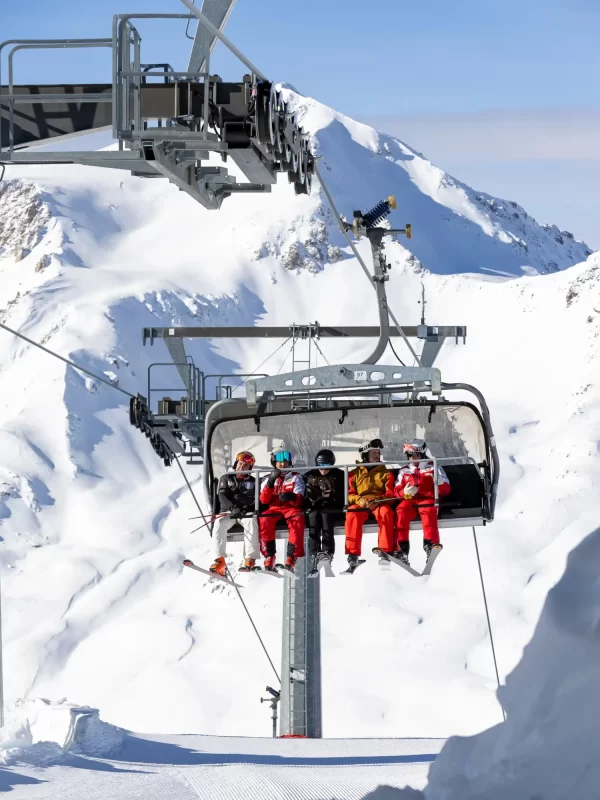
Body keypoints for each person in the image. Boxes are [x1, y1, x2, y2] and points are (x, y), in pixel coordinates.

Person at [394, 439, 451, 565]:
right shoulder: (404, 471)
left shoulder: (433, 467)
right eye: (409, 455)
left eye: (415, 455)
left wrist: (440, 483)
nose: (412, 458)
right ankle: (402, 549)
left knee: (428, 510)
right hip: (411, 500)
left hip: (428, 499)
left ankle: (430, 545)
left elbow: (446, 490)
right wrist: (404, 492)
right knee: (401, 511)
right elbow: (396, 492)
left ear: (422, 454)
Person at [345, 438, 395, 570]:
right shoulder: (354, 474)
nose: (377, 456)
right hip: (361, 502)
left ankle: (386, 551)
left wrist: (378, 500)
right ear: (365, 455)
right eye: (373, 453)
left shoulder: (386, 473)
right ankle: (352, 553)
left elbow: (391, 495)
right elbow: (349, 494)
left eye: (378, 453)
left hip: (378, 502)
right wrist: (359, 500)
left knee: (386, 513)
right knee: (352, 514)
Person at [210, 451, 259, 576]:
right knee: (219, 522)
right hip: (229, 512)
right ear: (236, 463)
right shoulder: (226, 477)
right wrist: (233, 508)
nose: (242, 467)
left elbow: (257, 500)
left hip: (245, 512)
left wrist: (246, 508)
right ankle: (219, 561)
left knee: (251, 521)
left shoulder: (254, 482)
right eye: (240, 463)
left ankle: (250, 559)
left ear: (250, 468)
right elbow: (222, 495)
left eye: (246, 465)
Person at [259, 448, 306, 572]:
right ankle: (270, 555)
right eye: (280, 459)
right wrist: (270, 483)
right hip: (274, 508)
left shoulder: (296, 477)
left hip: (290, 508)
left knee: (297, 519)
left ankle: (292, 557)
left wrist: (291, 497)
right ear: (274, 461)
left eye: (286, 459)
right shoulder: (267, 478)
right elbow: (264, 500)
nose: (283, 463)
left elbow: (300, 500)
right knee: (264, 518)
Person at [304, 448, 345, 572]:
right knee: (313, 517)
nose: (322, 469)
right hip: (315, 508)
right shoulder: (310, 475)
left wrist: (332, 496)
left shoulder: (339, 475)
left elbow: (343, 495)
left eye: (326, 466)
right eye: (320, 466)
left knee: (326, 517)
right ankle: (314, 552)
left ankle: (327, 551)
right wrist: (312, 497)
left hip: (332, 507)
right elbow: (304, 497)